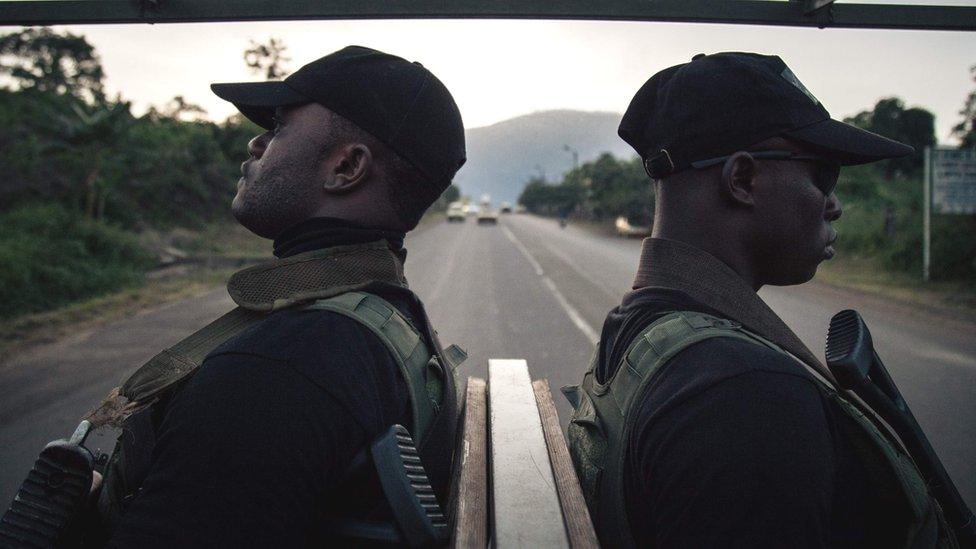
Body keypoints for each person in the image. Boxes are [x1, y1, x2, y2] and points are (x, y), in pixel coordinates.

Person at [564, 52, 957, 548]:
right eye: (824, 175)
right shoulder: (743, 393)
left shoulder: (641, 324)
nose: (834, 204)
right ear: (743, 179)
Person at [90, 45, 466, 547]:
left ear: (347, 167)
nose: (255, 143)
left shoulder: (277, 367)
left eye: (280, 128)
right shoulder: (385, 318)